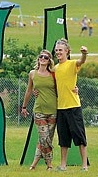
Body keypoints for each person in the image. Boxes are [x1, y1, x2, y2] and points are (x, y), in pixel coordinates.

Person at [54, 38, 89, 171]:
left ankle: (84, 166)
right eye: (56, 50)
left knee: (80, 137)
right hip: (61, 108)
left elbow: (82, 61)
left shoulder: (72, 64)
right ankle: (63, 165)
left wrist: (84, 53)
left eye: (60, 50)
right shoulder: (55, 68)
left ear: (67, 51)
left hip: (73, 107)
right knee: (63, 139)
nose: (58, 52)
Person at [21, 50, 57, 170]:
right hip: (39, 111)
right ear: (38, 59)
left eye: (45, 57)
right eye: (41, 56)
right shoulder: (32, 73)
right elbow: (29, 90)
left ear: (49, 61)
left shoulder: (53, 74)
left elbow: (61, 88)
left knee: (46, 139)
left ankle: (33, 165)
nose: (42, 58)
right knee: (44, 138)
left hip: (53, 111)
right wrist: (24, 107)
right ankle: (49, 165)